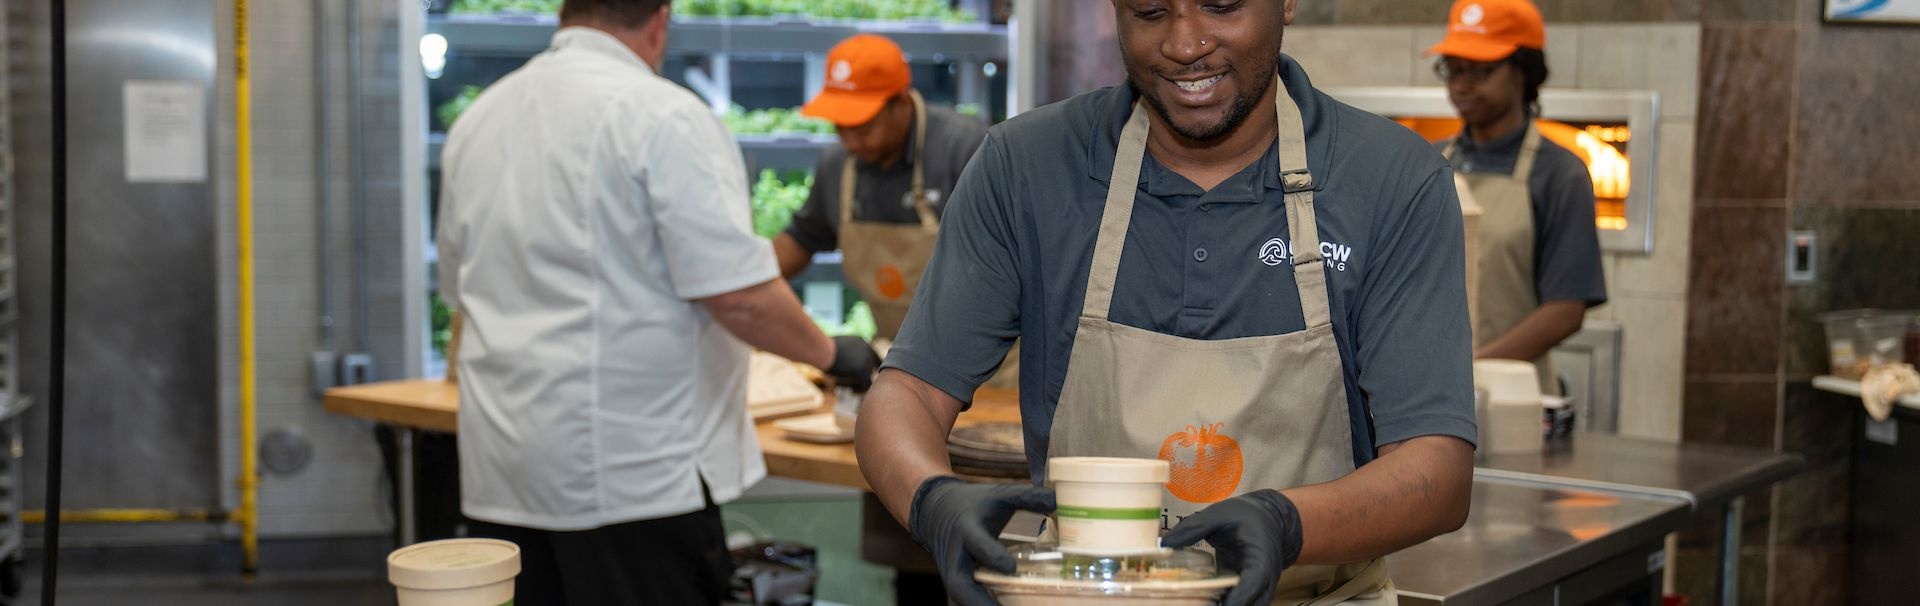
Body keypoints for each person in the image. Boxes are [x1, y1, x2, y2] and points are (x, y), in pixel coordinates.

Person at [854, 1, 1478, 604]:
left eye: (1222, 6)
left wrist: (1288, 523)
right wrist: (931, 498)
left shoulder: (1393, 180)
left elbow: (1436, 471)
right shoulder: (1025, 168)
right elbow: (907, 392)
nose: (1184, 44)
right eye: (1150, 12)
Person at [435, 0, 877, 603]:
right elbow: (739, 295)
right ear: (660, 20)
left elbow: (461, 289)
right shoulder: (664, 116)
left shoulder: (479, 120)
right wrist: (833, 354)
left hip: (506, 472)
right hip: (631, 482)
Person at [774, 33, 1004, 602]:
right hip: (903, 386)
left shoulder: (968, 150)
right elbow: (797, 244)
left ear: (903, 102)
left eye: (864, 123)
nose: (851, 137)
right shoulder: (839, 167)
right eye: (840, 124)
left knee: (993, 557)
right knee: (915, 549)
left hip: (999, 388)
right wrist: (739, 288)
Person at [1427, 0, 1607, 393]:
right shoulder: (1427, 164)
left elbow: (1566, 310)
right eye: (1454, 69)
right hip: (1429, 392)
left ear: (1524, 73)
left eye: (1481, 70)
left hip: (1512, 394)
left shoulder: (1560, 175)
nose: (1462, 84)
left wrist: (1471, 369)